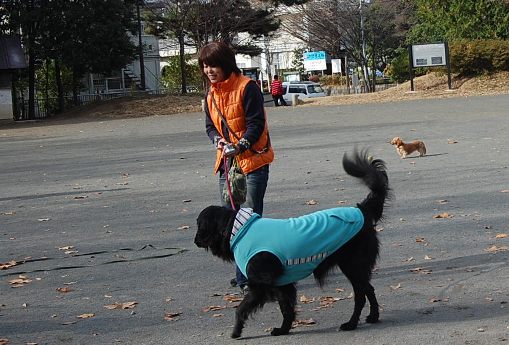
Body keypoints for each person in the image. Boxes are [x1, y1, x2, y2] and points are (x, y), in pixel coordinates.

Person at [198, 41, 274, 292]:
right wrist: (217, 140)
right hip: (227, 164)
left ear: (226, 64)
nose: (209, 70)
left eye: (214, 65)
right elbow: (210, 126)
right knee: (228, 221)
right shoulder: (210, 94)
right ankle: (242, 272)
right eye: (205, 65)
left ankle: (253, 274)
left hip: (252, 161)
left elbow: (256, 123)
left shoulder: (247, 87)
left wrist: (240, 144)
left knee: (250, 219)